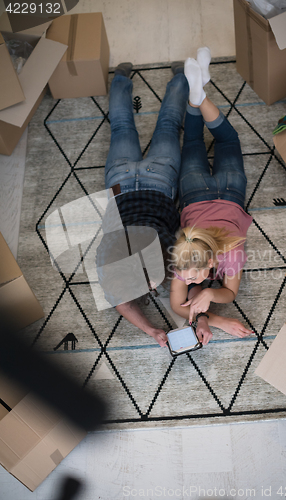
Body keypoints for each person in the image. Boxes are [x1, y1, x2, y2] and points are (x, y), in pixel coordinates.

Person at [96, 62, 189, 347]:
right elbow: (119, 298)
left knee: (170, 125)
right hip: (121, 183)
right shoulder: (106, 258)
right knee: (122, 125)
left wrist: (151, 329)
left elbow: (120, 301)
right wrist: (150, 329)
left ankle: (181, 76)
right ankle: (122, 77)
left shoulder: (170, 254)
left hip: (160, 181)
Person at [170, 49, 253, 346]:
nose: (189, 281)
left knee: (228, 140)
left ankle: (199, 92)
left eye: (192, 278)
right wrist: (207, 297)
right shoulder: (187, 254)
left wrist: (207, 296)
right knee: (192, 140)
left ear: (209, 268)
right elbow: (226, 295)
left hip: (230, 190)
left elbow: (226, 294)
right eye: (189, 277)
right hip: (194, 192)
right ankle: (197, 93)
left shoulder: (228, 255)